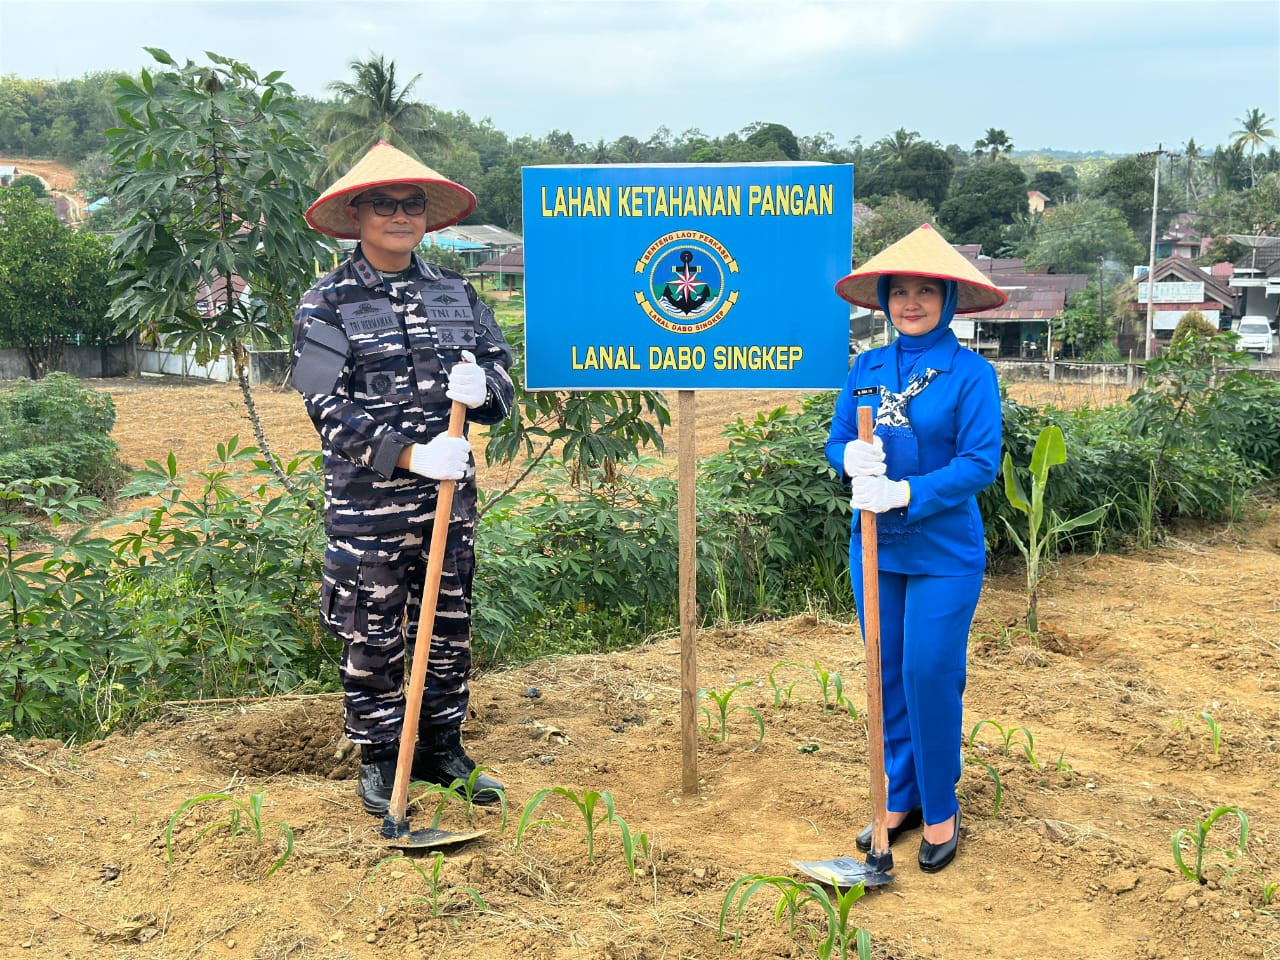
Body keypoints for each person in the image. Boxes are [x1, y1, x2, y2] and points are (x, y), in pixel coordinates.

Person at [292, 141, 516, 816]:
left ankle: (441, 748)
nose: (399, 215)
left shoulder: (457, 292)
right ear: (357, 214)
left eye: (411, 203)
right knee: (375, 628)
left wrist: (485, 391)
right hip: (370, 511)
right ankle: (381, 755)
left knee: (447, 624)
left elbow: (503, 376)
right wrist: (409, 456)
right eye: (384, 204)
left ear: (427, 216)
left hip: (449, 502)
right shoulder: (325, 303)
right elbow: (322, 404)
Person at [825, 223, 1007, 873]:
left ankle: (940, 805)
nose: (911, 302)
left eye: (925, 291)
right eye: (899, 291)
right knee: (886, 670)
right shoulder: (866, 368)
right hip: (875, 549)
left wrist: (905, 492)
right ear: (883, 298)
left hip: (943, 550)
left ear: (948, 300)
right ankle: (896, 796)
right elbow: (838, 439)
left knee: (930, 671)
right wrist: (846, 457)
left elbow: (981, 463)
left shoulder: (970, 375)